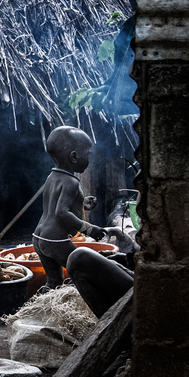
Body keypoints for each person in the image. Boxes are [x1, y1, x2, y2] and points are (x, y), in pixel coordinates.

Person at [31, 126, 130, 300]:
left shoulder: (52, 177)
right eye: (88, 154)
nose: (90, 158)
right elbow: (61, 213)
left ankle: (42, 306)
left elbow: (55, 205)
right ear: (74, 157)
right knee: (83, 268)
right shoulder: (71, 182)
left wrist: (82, 204)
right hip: (55, 241)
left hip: (39, 238)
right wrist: (90, 229)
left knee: (53, 281)